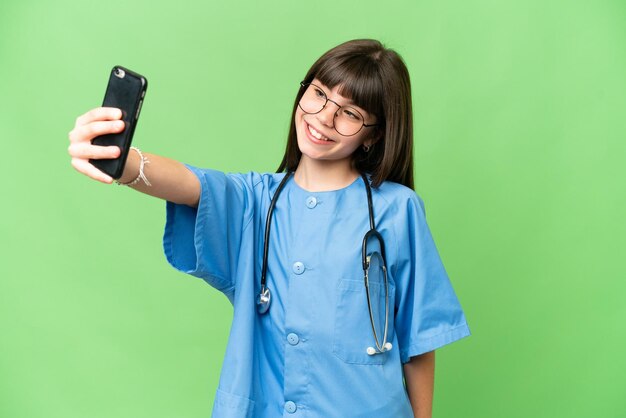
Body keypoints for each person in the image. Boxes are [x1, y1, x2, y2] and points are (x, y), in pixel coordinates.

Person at [68, 39, 470, 418]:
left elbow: (419, 343)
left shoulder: (397, 210)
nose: (324, 118)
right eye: (319, 93)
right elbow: (192, 184)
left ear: (373, 134)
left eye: (350, 113)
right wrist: (120, 160)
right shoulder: (255, 201)